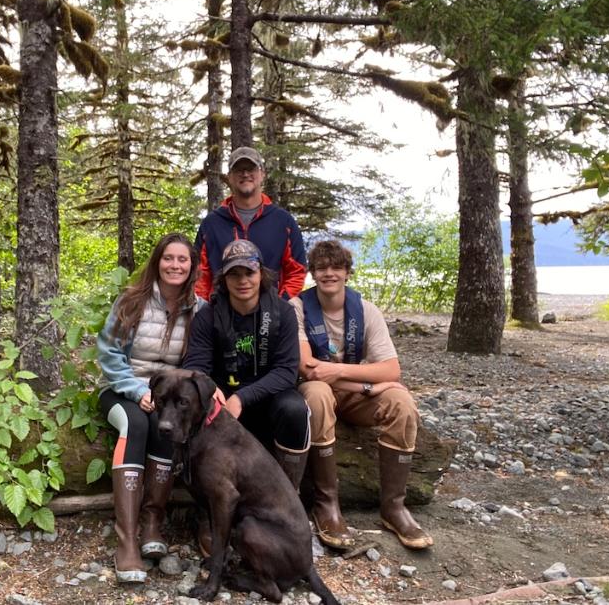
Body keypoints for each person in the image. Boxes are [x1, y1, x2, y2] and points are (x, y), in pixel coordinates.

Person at [290, 240, 433, 551]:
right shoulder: (297, 307)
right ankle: (327, 504)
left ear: (347, 272)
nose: (329, 273)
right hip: (319, 390)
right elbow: (309, 368)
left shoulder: (366, 310)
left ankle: (393, 507)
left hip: (352, 392)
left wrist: (345, 376)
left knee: (402, 402)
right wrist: (368, 385)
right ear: (313, 273)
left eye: (336, 267)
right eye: (321, 268)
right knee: (317, 394)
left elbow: (391, 370)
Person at [97, 233, 203, 583]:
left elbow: (198, 361)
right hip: (120, 389)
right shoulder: (132, 300)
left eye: (182, 260)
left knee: (166, 427)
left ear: (192, 266)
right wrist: (137, 389)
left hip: (166, 396)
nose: (175, 265)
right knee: (137, 425)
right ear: (158, 261)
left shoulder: (198, 308)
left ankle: (152, 523)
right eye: (168, 258)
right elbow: (109, 355)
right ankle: (127, 541)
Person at [183, 239, 310, 487]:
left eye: (249, 272)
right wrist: (210, 388)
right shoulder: (208, 316)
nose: (243, 281)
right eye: (234, 274)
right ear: (224, 278)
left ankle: (288, 492)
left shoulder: (283, 313)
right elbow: (195, 366)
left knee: (295, 410)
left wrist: (242, 397)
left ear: (261, 273)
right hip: (223, 396)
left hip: (269, 394)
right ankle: (211, 491)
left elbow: (286, 371)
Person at [194, 146, 306, 300]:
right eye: (239, 169)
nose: (245, 174)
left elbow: (297, 271)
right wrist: (205, 307)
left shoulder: (283, 222)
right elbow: (200, 274)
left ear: (262, 174)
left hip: (271, 311)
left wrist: (281, 304)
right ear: (230, 177)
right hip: (220, 311)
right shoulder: (212, 224)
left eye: (251, 168)